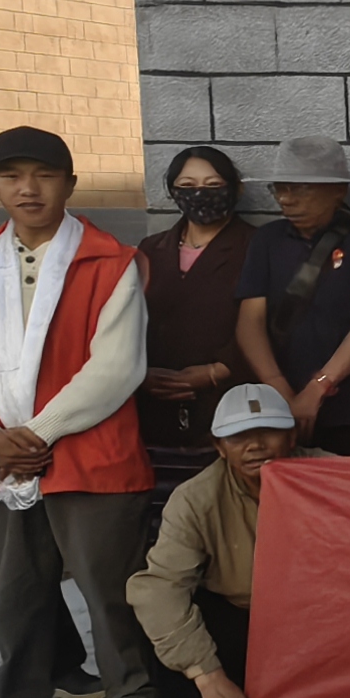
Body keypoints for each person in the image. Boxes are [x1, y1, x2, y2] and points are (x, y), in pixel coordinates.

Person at [0, 127, 156, 698]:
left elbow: (117, 367)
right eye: (11, 177)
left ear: (70, 184)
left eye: (44, 175)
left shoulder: (110, 260)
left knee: (112, 591)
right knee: (15, 595)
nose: (28, 189)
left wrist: (35, 434)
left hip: (89, 451)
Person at [129, 381, 293, 698]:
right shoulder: (195, 498)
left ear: (292, 436)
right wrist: (206, 675)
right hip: (247, 624)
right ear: (219, 447)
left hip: (320, 623)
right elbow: (160, 588)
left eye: (269, 432)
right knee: (154, 602)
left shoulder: (330, 473)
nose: (255, 445)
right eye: (238, 437)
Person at [236, 139, 350, 459]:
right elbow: (249, 323)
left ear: (339, 191)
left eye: (301, 189)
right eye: (279, 189)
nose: (286, 199)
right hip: (281, 405)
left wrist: (318, 388)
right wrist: (280, 390)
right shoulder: (267, 240)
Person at [136, 145, 252, 488]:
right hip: (154, 405)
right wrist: (139, 374)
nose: (200, 194)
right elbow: (126, 321)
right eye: (187, 185)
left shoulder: (257, 246)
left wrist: (218, 370)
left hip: (228, 402)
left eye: (212, 184)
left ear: (236, 188)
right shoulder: (150, 249)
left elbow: (277, 321)